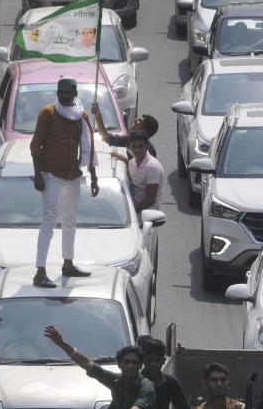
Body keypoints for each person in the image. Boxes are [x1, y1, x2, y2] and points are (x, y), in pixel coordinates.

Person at [30, 77, 99, 288]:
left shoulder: (81, 115)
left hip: (73, 175)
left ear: (75, 93)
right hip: (51, 174)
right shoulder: (48, 113)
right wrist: (38, 175)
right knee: (48, 222)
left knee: (70, 221)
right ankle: (40, 272)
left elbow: (88, 147)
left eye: (69, 92)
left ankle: (68, 263)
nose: (65, 96)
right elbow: (35, 147)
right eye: (62, 92)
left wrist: (94, 177)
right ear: (57, 93)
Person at [45, 325, 156, 409]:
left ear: (140, 365)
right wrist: (62, 344)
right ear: (119, 365)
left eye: (134, 362)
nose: (130, 366)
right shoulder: (115, 380)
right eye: (126, 362)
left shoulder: (147, 387)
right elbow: (86, 363)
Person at [139, 337, 191, 409]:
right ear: (142, 359)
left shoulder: (171, 383)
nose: (153, 364)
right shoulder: (133, 382)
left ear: (163, 361)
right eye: (149, 359)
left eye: (157, 360)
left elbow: (184, 407)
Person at [92, 104, 159, 157]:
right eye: (134, 147)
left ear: (143, 131)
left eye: (139, 121)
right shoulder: (129, 139)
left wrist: (121, 158)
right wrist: (98, 116)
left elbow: (137, 167)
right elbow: (106, 137)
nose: (136, 119)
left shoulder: (149, 151)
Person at [127, 133, 165, 212]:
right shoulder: (131, 163)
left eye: (140, 146)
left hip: (146, 215)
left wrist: (131, 211)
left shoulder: (152, 167)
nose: (137, 150)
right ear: (130, 147)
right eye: (134, 147)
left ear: (147, 146)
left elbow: (150, 200)